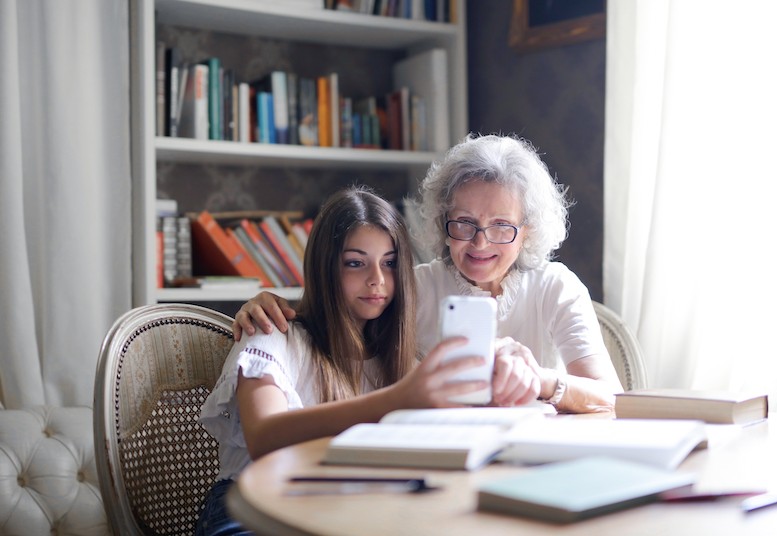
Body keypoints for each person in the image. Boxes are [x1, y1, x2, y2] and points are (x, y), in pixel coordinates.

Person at [234, 134, 623, 413]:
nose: (480, 243)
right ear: (442, 221)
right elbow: (337, 315)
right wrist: (267, 304)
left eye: (502, 226)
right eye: (464, 223)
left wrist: (540, 380)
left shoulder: (556, 286)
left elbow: (610, 397)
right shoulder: (412, 286)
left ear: (528, 231)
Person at [195, 186, 500, 536]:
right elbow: (264, 437)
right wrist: (399, 399)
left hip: (343, 505)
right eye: (355, 263)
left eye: (389, 263)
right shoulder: (271, 332)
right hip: (250, 510)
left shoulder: (399, 359)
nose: (377, 280)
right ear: (325, 268)